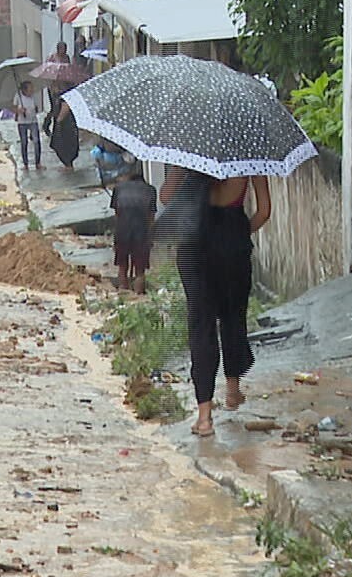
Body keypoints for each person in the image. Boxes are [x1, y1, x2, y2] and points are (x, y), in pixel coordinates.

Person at [162, 168, 272, 436]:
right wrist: (239, 232)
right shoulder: (248, 157)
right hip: (233, 245)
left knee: (201, 323)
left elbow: (166, 197)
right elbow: (263, 211)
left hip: (194, 243)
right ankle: (232, 390)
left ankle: (204, 417)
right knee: (233, 316)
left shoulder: (190, 157)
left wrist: (179, 174)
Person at [111, 166, 156, 292]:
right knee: (140, 270)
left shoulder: (118, 188)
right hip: (141, 232)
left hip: (122, 230)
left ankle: (123, 290)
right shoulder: (150, 190)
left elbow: (117, 214)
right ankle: (138, 294)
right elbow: (151, 217)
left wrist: (116, 237)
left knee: (122, 267)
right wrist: (149, 237)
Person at [45, 83, 81, 169]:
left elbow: (65, 107)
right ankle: (68, 165)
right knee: (62, 144)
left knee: (63, 144)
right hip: (66, 123)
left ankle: (68, 165)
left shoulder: (65, 94)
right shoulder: (58, 94)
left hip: (65, 124)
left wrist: (59, 120)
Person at [10, 80, 42, 171]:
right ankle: (25, 164)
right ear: (24, 90)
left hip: (33, 121)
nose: (32, 90)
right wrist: (19, 110)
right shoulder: (18, 96)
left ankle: (38, 163)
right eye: (30, 89)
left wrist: (35, 109)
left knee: (36, 141)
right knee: (24, 142)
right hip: (22, 122)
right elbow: (13, 108)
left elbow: (37, 108)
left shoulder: (34, 96)